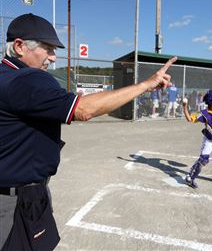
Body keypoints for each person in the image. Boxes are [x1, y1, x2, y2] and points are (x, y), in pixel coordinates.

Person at [0, 13, 177, 250]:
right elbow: (84, 110)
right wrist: (146, 85)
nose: (53, 58)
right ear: (20, 46)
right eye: (48, 49)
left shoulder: (6, 76)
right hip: (17, 202)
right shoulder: (28, 79)